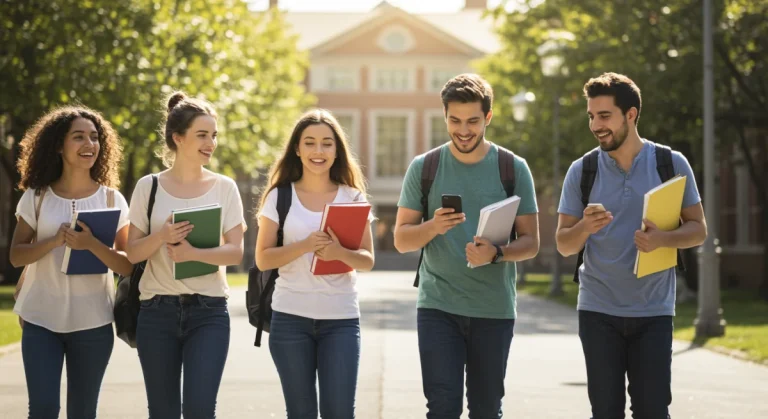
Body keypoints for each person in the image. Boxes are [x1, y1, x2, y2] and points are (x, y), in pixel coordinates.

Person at [555, 72, 707, 419]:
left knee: (653, 411)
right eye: (591, 116)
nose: (596, 125)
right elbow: (564, 244)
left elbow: (698, 230)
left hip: (653, 310)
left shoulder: (670, 164)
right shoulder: (583, 170)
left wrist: (664, 240)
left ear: (632, 115)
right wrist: (584, 227)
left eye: (604, 116)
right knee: (606, 412)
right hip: (598, 311)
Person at [393, 73, 540, 418]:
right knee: (442, 407)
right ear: (444, 116)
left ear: (488, 117)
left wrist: (498, 253)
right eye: (455, 120)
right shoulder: (424, 167)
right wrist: (432, 226)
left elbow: (532, 242)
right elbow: (401, 239)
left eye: (473, 121)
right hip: (438, 307)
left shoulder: (512, 168)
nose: (463, 130)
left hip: (493, 309)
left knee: (487, 410)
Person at [125, 92, 246, 418]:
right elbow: (131, 251)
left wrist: (193, 252)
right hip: (156, 312)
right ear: (178, 138)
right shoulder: (147, 187)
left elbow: (235, 253)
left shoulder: (225, 187)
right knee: (162, 412)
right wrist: (161, 236)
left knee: (200, 409)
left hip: (208, 313)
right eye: (202, 135)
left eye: (214, 135)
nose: (211, 143)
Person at [10, 106, 133, 418]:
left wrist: (90, 244)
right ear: (58, 145)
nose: (88, 144)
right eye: (78, 137)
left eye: (94, 137)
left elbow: (127, 265)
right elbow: (16, 255)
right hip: (41, 320)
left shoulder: (112, 199)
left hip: (93, 322)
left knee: (83, 412)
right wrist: (55, 240)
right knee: (42, 409)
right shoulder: (36, 197)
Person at [255, 109, 375, 419]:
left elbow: (367, 259)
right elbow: (263, 257)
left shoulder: (352, 197)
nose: (318, 151)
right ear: (297, 148)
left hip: (341, 320)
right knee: (301, 412)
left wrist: (338, 253)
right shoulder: (280, 197)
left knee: (339, 413)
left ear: (337, 151)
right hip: (290, 319)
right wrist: (305, 245)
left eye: (326, 143)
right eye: (309, 143)